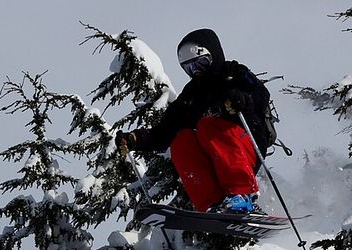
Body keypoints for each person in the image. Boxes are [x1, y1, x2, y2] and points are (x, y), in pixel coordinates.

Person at [116, 28, 271, 214]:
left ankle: (244, 194)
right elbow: (165, 131)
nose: (196, 72)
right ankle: (213, 203)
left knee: (207, 125)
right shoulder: (192, 94)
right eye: (190, 68)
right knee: (181, 139)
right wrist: (136, 139)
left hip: (247, 143)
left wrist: (243, 99)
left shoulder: (232, 73)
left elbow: (261, 95)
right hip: (218, 155)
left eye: (201, 64)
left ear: (213, 56)